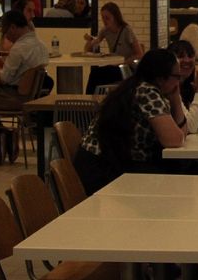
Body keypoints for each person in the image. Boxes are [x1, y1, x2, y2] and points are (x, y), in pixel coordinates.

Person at [73, 49, 187, 195]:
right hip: (103, 170)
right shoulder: (147, 92)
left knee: (175, 169)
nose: (179, 82)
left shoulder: (134, 86)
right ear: (160, 78)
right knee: (174, 177)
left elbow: (180, 135)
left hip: (101, 162)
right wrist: (176, 99)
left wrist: (175, 99)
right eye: (176, 76)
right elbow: (174, 139)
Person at [83, 2, 146, 94]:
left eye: (107, 18)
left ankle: (91, 101)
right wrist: (89, 41)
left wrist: (124, 62)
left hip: (127, 68)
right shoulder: (105, 30)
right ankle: (93, 101)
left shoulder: (126, 30)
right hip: (115, 66)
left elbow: (139, 54)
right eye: (103, 18)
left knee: (96, 74)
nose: (104, 21)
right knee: (95, 73)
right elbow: (90, 48)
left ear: (115, 17)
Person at [0, 10, 49, 114]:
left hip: (13, 98)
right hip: (30, 96)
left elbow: (4, 79)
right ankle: (0, 129)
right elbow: (16, 73)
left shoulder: (19, 48)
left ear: (13, 28)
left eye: (5, 32)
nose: (6, 37)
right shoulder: (41, 45)